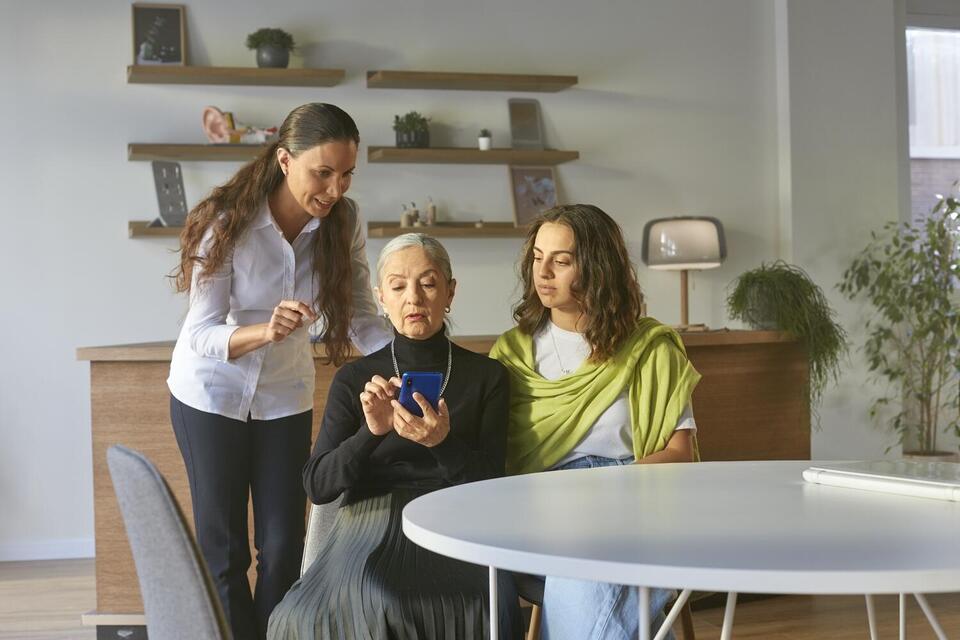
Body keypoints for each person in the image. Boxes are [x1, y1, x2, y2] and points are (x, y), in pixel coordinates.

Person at [167, 103, 391, 640]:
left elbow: (360, 314)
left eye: (346, 174)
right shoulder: (227, 221)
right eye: (323, 172)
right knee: (224, 551)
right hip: (212, 397)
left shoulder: (344, 222)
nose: (335, 189)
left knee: (285, 545)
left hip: (284, 401)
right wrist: (264, 332)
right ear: (285, 160)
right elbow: (200, 333)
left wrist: (412, 354)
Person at [268, 233, 523, 640]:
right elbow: (318, 484)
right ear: (381, 297)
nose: (414, 299)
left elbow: (492, 485)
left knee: (478, 605)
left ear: (450, 292)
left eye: (428, 283)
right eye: (398, 286)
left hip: (456, 523)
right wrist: (371, 432)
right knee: (344, 606)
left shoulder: (488, 377)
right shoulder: (355, 379)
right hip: (368, 526)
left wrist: (442, 443)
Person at [490, 204, 701, 640]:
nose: (543, 272)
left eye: (561, 261)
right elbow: (495, 460)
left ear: (597, 268)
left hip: (635, 500)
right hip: (539, 510)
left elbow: (681, 454)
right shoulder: (511, 355)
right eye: (537, 257)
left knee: (591, 558)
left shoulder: (650, 348)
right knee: (582, 555)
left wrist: (605, 492)